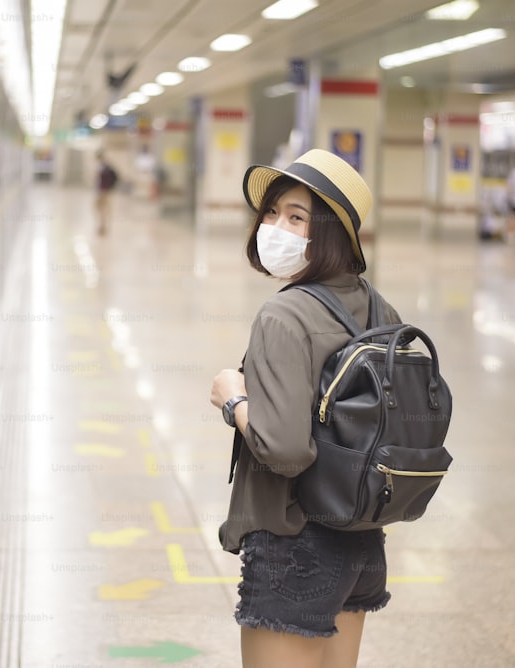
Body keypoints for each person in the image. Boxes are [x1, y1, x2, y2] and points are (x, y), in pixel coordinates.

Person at [209, 149, 403, 668]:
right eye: (271, 213)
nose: (274, 227)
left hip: (294, 542)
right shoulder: (382, 309)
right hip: (361, 540)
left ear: (332, 235)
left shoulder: (283, 315)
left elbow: (285, 450)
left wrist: (234, 399)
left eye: (296, 217)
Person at [95, 151, 118, 236]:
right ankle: (104, 225)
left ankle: (104, 226)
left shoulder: (103, 167)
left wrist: (104, 190)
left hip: (103, 191)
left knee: (102, 208)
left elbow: (103, 180)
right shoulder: (106, 166)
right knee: (103, 208)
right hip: (104, 190)